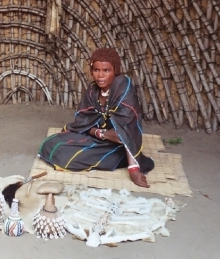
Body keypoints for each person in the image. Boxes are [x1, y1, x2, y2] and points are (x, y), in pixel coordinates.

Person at [38, 48, 154, 188]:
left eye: (106, 70)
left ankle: (119, 160)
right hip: (98, 136)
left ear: (115, 70)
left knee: (68, 157)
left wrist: (134, 170)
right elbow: (83, 122)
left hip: (120, 144)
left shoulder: (123, 88)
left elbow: (127, 129)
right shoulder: (93, 90)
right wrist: (101, 133)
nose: (100, 75)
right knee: (51, 144)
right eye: (96, 70)